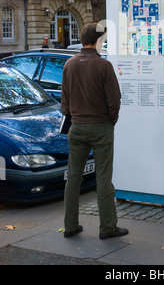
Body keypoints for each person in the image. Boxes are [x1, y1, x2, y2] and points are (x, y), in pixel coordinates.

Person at [61, 22, 128, 240]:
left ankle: (70, 225)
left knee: (73, 178)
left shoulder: (69, 65)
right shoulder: (103, 66)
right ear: (98, 41)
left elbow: (65, 103)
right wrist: (111, 121)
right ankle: (107, 227)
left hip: (77, 126)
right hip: (100, 127)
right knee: (103, 178)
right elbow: (114, 100)